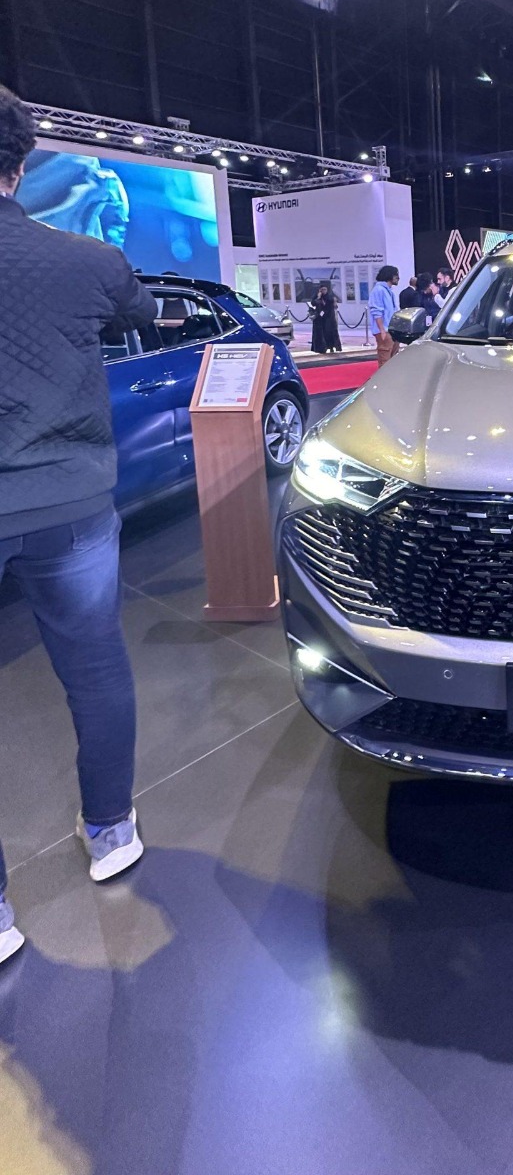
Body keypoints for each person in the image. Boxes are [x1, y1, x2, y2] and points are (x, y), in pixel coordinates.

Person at [0, 86, 160, 966]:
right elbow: (140, 312)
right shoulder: (88, 260)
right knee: (95, 672)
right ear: (20, 165)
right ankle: (111, 835)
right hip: (70, 506)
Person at [368, 265, 400, 365]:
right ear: (390, 276)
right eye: (396, 275)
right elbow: (376, 311)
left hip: (392, 330)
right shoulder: (378, 290)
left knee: (393, 360)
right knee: (385, 360)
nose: (398, 278)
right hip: (385, 330)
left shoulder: (389, 291)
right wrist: (382, 330)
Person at [310, 280, 341, 355]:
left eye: (325, 289)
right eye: (322, 290)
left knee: (330, 333)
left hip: (329, 318)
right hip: (320, 319)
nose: (323, 291)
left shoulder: (330, 296)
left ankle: (331, 347)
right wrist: (318, 297)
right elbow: (313, 303)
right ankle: (321, 348)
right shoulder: (317, 296)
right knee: (321, 334)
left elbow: (330, 304)